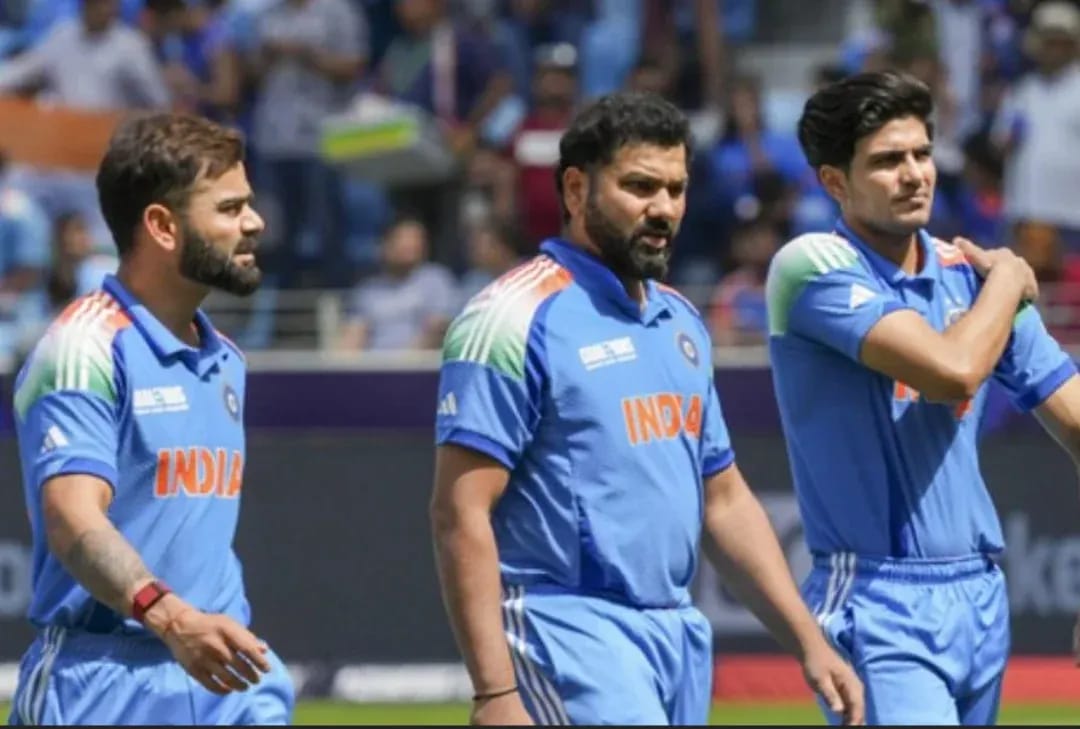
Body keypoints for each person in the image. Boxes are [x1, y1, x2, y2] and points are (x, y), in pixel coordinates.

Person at [430, 91, 864, 726]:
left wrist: (808, 641)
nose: (663, 209)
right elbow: (459, 511)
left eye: (676, 188)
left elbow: (724, 499)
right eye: (639, 186)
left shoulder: (680, 320)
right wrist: (494, 692)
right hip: (565, 629)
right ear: (576, 190)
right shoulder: (509, 319)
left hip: (676, 636)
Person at [766, 70, 1080, 725]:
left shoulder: (971, 277)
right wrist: (1012, 278)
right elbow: (955, 371)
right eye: (886, 160)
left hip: (980, 595)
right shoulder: (810, 266)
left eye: (922, 153)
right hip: (877, 598)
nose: (914, 174)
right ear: (833, 182)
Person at [8, 113, 295, 725]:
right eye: (230, 208)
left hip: (227, 676)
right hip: (103, 687)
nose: (254, 223)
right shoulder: (83, 348)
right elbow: (71, 515)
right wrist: (170, 616)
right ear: (163, 226)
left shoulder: (226, 360)